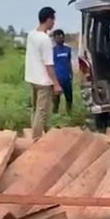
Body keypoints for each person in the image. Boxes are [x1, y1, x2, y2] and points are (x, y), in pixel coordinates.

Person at [24, 7, 62, 139]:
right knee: (41, 112)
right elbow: (49, 65)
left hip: (32, 78)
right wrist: (56, 84)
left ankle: (39, 136)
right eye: (53, 19)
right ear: (48, 19)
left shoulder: (31, 35)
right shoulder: (45, 39)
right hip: (43, 81)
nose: (54, 23)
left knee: (35, 110)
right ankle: (36, 140)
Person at [52, 29, 73, 114]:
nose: (60, 39)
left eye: (62, 37)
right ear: (54, 39)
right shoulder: (52, 50)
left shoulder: (68, 49)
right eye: (58, 38)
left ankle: (69, 114)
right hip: (57, 79)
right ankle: (55, 116)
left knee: (69, 99)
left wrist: (71, 74)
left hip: (67, 78)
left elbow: (69, 62)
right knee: (56, 101)